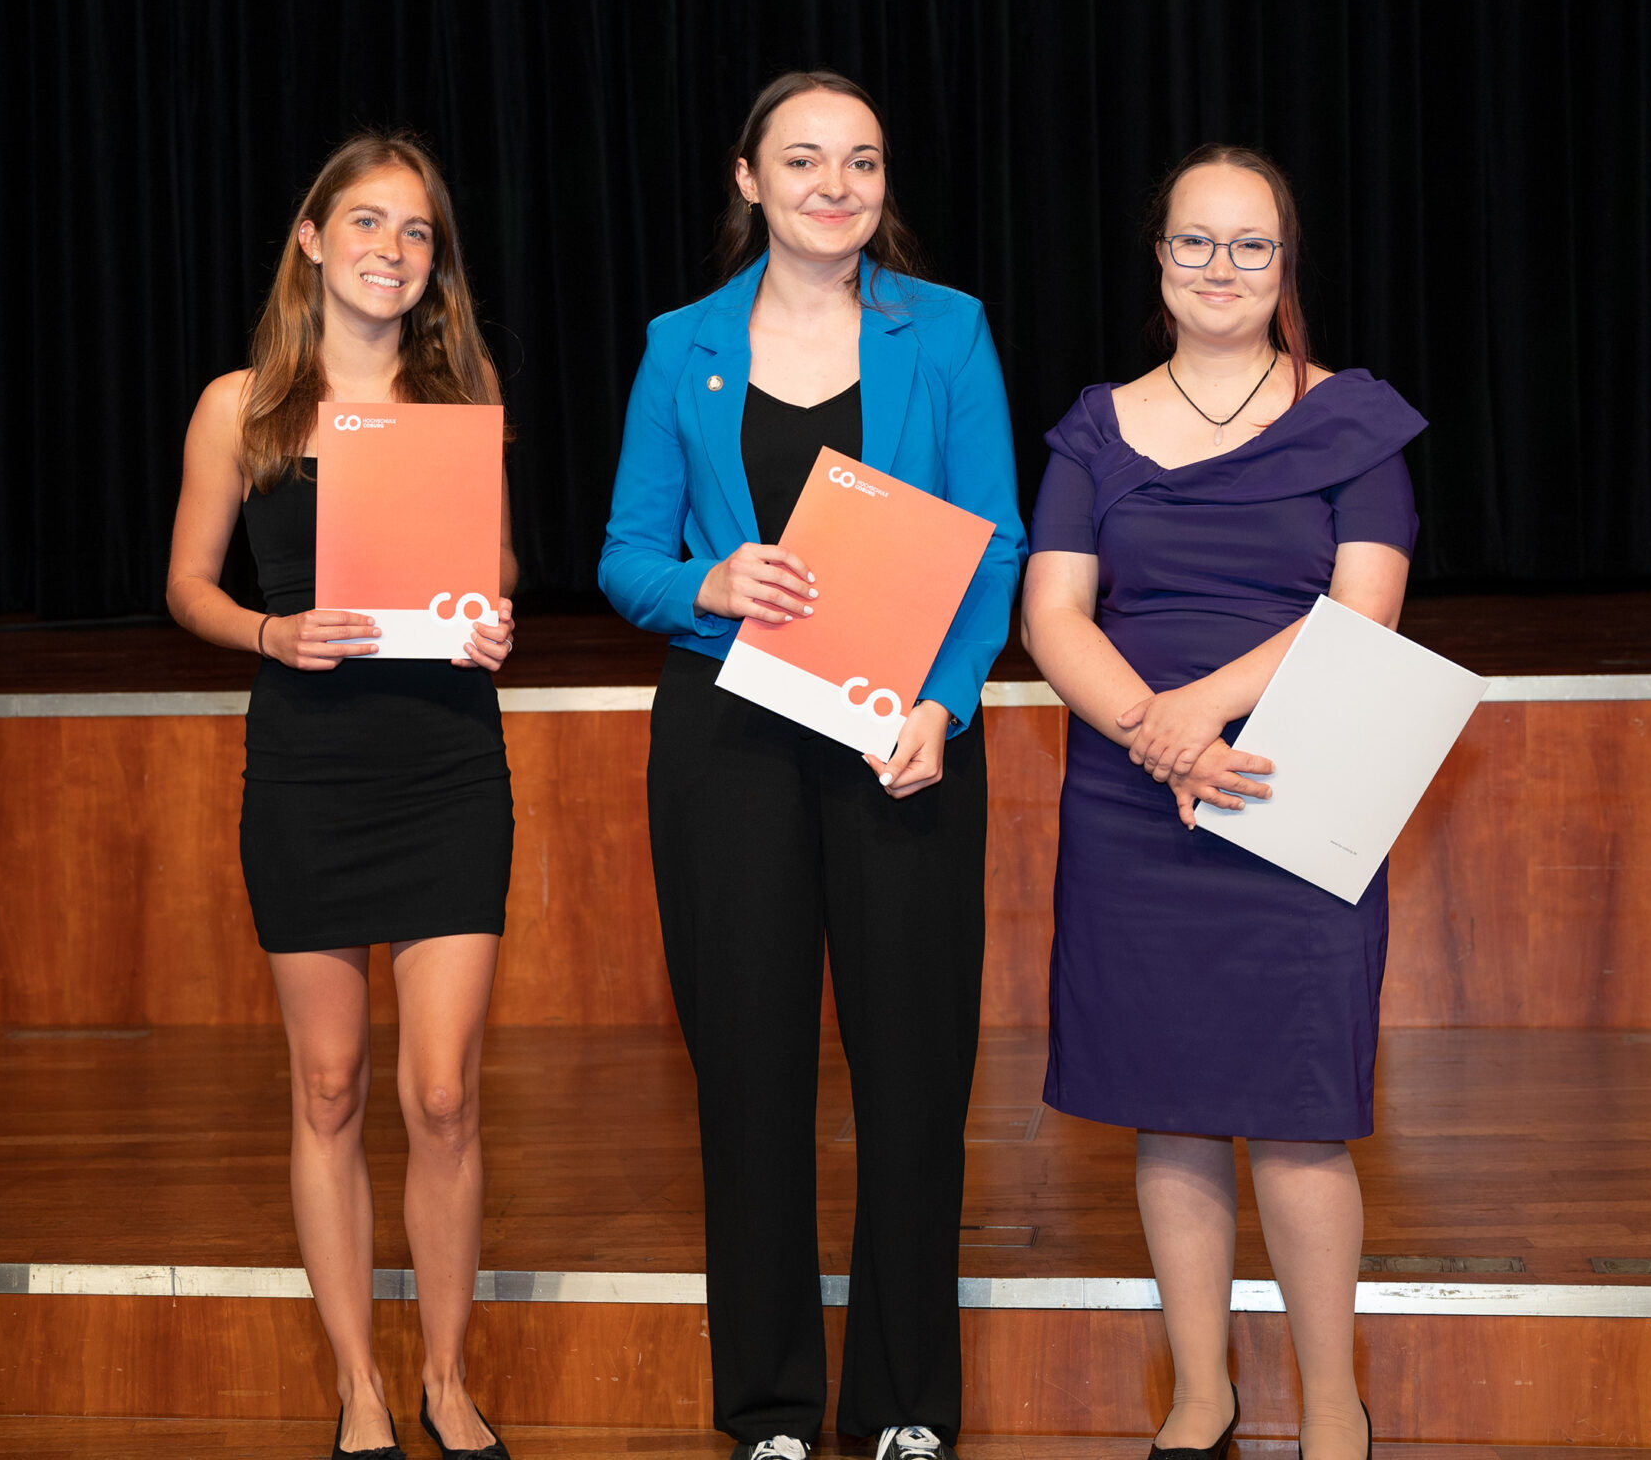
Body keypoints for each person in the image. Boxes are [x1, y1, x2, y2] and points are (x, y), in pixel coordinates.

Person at [598, 72, 1025, 1460]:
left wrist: (948, 706)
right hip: (728, 745)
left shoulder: (948, 333)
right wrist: (705, 585)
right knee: (751, 1075)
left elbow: (994, 544)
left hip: (900, 740)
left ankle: (907, 1403)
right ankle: (770, 1408)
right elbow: (622, 560)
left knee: (914, 1073)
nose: (836, 185)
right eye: (804, 161)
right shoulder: (681, 345)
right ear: (748, 181)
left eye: (862, 161)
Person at [1019, 145, 1424, 1460]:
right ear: (1158, 257)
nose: (1222, 269)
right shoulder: (1094, 426)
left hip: (1299, 787)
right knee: (1170, 1107)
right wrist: (1156, 732)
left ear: (1285, 265)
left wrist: (1199, 715)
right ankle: (1201, 1395)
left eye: (1251, 246)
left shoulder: (1356, 421)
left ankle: (1334, 1407)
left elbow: (1363, 609)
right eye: (1197, 242)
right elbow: (1053, 615)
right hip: (1138, 798)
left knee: (1302, 1116)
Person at [165, 133, 519, 1460]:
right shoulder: (239, 404)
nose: (390, 249)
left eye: (417, 231)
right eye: (365, 223)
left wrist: (492, 620)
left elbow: (495, 570)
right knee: (327, 1086)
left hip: (445, 768)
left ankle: (444, 1374)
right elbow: (189, 587)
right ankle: (359, 1387)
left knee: (442, 1095)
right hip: (309, 770)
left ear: (436, 264)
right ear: (312, 238)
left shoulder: (464, 395)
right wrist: (268, 633)